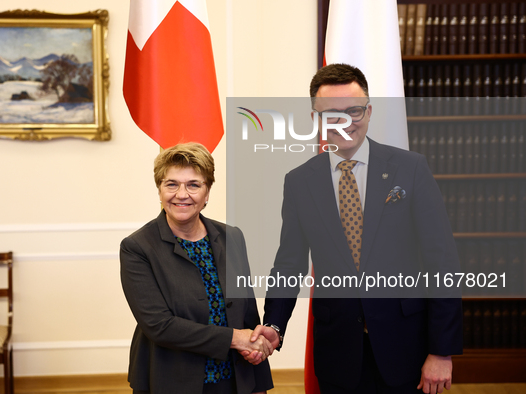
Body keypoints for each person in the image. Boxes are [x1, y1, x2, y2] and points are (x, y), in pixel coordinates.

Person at [247, 64, 463, 394]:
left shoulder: (410, 169)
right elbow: (289, 263)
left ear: (370, 111)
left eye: (354, 111)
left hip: (407, 347)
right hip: (339, 352)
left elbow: (442, 262)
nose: (344, 123)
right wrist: (275, 323)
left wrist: (441, 350)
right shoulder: (299, 182)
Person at [120, 142, 274, 394]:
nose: (182, 194)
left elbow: (248, 315)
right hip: (170, 380)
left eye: (193, 185)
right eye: (171, 184)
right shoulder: (137, 247)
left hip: (234, 378)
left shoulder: (232, 237)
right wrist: (237, 338)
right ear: (159, 190)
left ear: (207, 192)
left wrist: (258, 381)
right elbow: (159, 325)